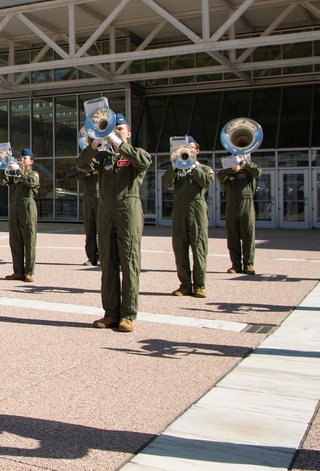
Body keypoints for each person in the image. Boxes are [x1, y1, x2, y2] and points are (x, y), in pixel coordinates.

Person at [76, 113, 151, 333]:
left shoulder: (137, 153)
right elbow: (81, 165)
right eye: (113, 129)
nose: (115, 133)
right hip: (106, 209)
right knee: (107, 263)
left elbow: (145, 162)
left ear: (128, 133)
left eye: (120, 130)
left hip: (128, 209)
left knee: (129, 262)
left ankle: (128, 315)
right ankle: (111, 313)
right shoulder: (103, 157)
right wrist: (95, 144)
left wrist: (120, 145)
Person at [163, 139, 213, 298]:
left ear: (196, 151)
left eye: (190, 150)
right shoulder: (177, 169)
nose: (187, 153)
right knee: (180, 248)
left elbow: (205, 182)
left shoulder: (205, 169)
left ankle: (199, 285)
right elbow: (166, 183)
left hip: (197, 209)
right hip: (179, 210)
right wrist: (174, 168)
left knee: (199, 248)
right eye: (184, 150)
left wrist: (193, 167)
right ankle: (185, 285)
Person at [0, 148, 40, 283]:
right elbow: (3, 182)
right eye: (21, 158)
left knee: (29, 239)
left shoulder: (34, 173)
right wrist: (3, 167)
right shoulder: (16, 174)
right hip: (15, 206)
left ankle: (29, 272)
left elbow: (30, 182)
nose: (22, 160)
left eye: (25, 158)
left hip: (27, 205)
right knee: (15, 240)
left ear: (31, 161)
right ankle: (18, 271)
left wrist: (19, 170)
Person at [217, 154, 262, 275]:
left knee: (248, 234)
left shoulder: (249, 172)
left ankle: (248, 265)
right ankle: (236, 265)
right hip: (231, 204)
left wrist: (245, 164)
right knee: (232, 236)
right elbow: (219, 177)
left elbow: (257, 171)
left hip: (246, 203)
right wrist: (231, 169)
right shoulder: (228, 172)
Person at [75, 166, 99, 266]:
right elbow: (78, 176)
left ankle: (104, 257)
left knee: (103, 230)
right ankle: (91, 257)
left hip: (101, 198)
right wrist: (86, 169)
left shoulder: (102, 160)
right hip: (88, 199)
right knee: (89, 229)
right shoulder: (86, 163)